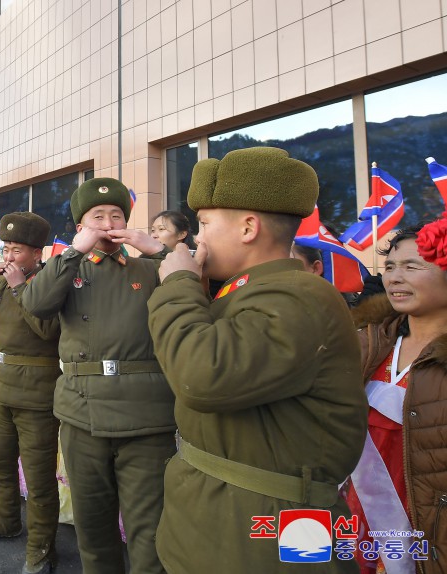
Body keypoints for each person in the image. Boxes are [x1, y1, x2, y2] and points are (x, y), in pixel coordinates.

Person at [147, 147, 368, 573]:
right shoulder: (245, 290)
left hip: (269, 527)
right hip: (222, 513)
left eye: (206, 224)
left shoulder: (301, 297)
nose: (198, 239)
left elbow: (201, 375)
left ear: (249, 227)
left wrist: (177, 283)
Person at [21, 177, 175, 574]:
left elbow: (193, 285)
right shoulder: (67, 267)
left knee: (150, 528)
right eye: (97, 217)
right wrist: (74, 251)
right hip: (82, 413)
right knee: (93, 526)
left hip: (146, 416)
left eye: (116, 215)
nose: (108, 223)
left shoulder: (148, 267)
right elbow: (35, 304)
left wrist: (159, 249)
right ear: (80, 228)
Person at [345, 219, 447, 574]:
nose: (394, 277)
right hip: (355, 522)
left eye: (412, 266)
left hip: (430, 528)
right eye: (389, 266)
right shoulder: (368, 342)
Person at [0, 212, 61, 574]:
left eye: (16, 250)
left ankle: (41, 547)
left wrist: (21, 287)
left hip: (37, 394)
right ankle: (4, 519)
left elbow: (47, 330)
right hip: (1, 386)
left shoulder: (49, 280)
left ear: (37, 253)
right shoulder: (2, 280)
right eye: (5, 249)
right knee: (0, 462)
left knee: (37, 478)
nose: (8, 257)